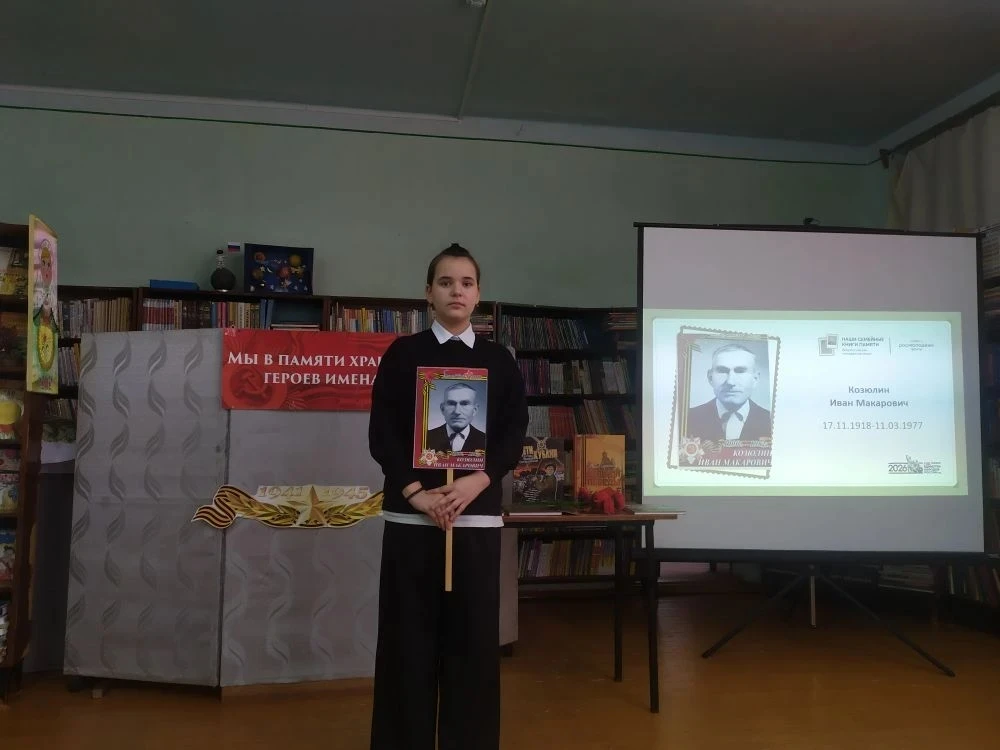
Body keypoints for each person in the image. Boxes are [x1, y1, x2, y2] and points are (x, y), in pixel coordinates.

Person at [368, 242, 529, 750]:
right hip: (412, 520)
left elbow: (512, 433)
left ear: (478, 294)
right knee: (406, 646)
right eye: (445, 282)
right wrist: (417, 495)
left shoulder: (498, 360)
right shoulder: (403, 354)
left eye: (466, 282)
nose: (456, 291)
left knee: (473, 648)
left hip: (474, 521)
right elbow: (383, 434)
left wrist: (477, 480)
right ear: (428, 293)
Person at [685, 342, 772, 442]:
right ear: (710, 377)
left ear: (755, 379)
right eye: (722, 370)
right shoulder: (687, 419)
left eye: (740, 371)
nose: (730, 381)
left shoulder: (771, 421)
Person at [425, 381, 488, 453]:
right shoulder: (425, 438)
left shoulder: (485, 440)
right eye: (451, 403)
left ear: (475, 410)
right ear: (442, 409)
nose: (457, 411)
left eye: (464, 404)